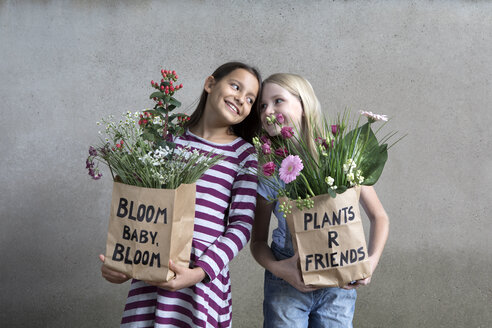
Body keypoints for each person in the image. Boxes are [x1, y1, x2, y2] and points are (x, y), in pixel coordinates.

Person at [99, 62, 262, 328]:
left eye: (250, 99)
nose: (241, 99)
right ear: (210, 84)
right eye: (235, 86)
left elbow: (242, 226)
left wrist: (199, 272)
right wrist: (121, 263)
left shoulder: (244, 155)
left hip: (200, 280)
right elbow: (141, 208)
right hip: (154, 273)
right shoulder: (168, 140)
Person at [250, 73, 390, 328]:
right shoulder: (269, 170)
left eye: (277, 101)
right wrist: (282, 270)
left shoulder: (338, 156)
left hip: (339, 282)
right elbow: (257, 242)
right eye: (262, 105)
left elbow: (379, 216)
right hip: (287, 281)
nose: (268, 110)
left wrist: (370, 263)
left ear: (303, 105)